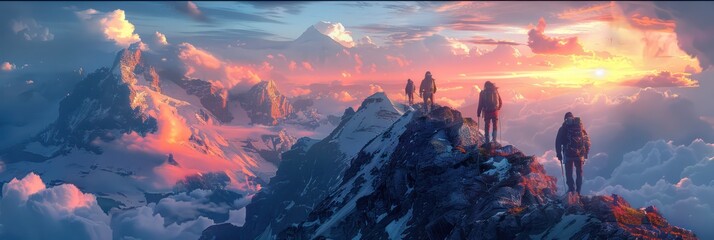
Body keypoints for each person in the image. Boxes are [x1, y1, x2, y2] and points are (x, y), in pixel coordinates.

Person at [555, 112, 591, 195]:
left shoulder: (563, 128)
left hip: (568, 154)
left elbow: (558, 142)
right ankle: (578, 192)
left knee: (569, 172)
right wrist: (585, 153)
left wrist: (559, 154)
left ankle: (571, 190)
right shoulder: (580, 127)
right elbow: (586, 140)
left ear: (565, 119)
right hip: (579, 155)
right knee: (579, 173)